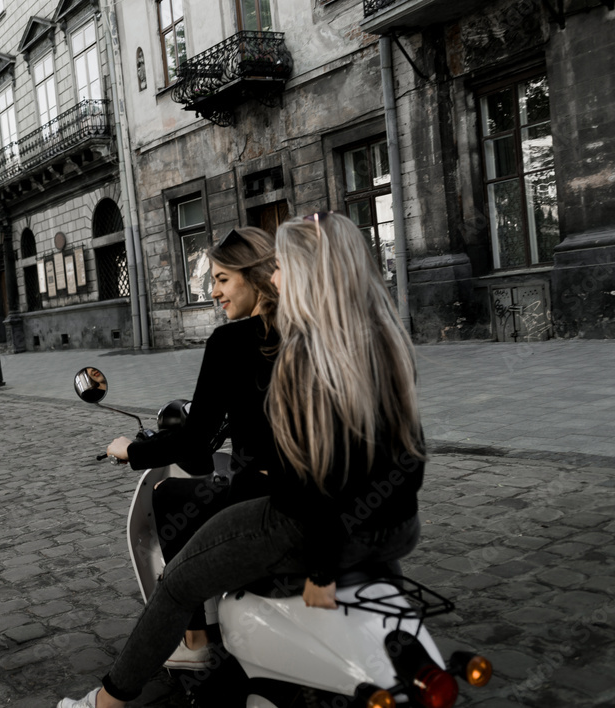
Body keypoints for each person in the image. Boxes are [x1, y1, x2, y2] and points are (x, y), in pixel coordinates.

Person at [59, 213, 427, 708]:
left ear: (306, 274)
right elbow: (408, 458)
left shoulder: (301, 351)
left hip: (311, 527)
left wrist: (322, 567)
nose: (276, 275)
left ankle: (110, 699)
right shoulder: (385, 341)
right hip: (397, 525)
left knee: (176, 586)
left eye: (284, 267)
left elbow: (308, 480)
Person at [105, 226, 278, 669]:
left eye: (222, 279)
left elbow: (195, 436)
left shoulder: (230, 341)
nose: (214, 291)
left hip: (262, 499)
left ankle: (195, 638)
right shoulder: (304, 330)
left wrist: (133, 452)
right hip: (309, 493)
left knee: (169, 496)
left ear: (253, 276)